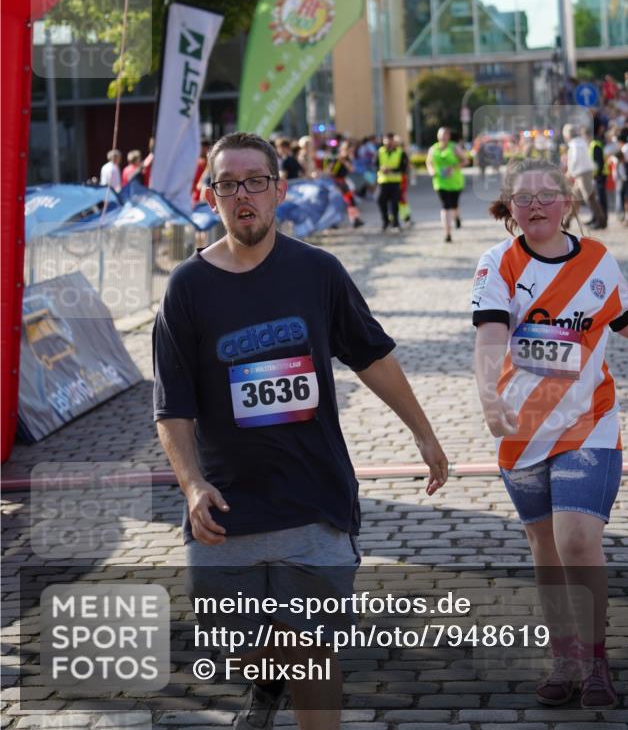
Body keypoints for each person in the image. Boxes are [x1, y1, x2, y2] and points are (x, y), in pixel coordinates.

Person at [153, 131, 448, 730]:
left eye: (255, 181)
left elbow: (371, 356)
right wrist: (191, 485)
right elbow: (172, 407)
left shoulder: (318, 271)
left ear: (279, 190)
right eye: (228, 184)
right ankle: (267, 679)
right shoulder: (187, 288)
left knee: (313, 655)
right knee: (240, 651)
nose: (244, 195)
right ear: (210, 197)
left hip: (314, 500)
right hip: (227, 510)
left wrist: (423, 432)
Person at [471, 157, 628, 710]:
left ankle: (597, 661)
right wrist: (489, 397)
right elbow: (490, 334)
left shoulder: (599, 260)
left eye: (546, 194)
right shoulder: (498, 263)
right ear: (510, 208)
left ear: (568, 202)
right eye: (523, 197)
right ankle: (565, 658)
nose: (535, 205)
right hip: (521, 430)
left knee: (576, 539)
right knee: (544, 547)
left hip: (589, 424)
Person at [426, 126, 468, 243]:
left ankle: (457, 217)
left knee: (454, 205)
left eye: (445, 135)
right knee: (445, 206)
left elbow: (465, 161)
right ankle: (447, 233)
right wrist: (431, 171)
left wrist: (453, 168)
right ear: (437, 136)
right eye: (440, 135)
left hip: (455, 182)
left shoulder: (454, 147)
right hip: (440, 182)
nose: (442, 137)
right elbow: (429, 162)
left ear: (448, 136)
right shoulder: (433, 149)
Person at [562, 124, 606, 230]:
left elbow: (575, 159)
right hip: (584, 173)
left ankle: (601, 221)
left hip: (582, 174)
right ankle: (567, 222)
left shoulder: (574, 144)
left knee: (589, 198)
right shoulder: (581, 142)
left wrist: (570, 172)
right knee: (575, 199)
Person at [376, 131, 407, 231]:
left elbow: (403, 168)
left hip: (395, 182)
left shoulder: (400, 152)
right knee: (381, 201)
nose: (389, 142)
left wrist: (391, 170)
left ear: (394, 141)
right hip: (383, 181)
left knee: (394, 203)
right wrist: (381, 169)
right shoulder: (380, 152)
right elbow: (375, 165)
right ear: (383, 141)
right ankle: (385, 221)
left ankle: (396, 223)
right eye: (387, 140)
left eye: (391, 140)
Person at [329, 140, 364, 228]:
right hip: (337, 183)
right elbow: (331, 172)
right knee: (337, 203)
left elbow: (352, 169)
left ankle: (355, 219)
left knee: (351, 201)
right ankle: (333, 222)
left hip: (343, 182)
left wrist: (345, 162)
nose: (351, 152)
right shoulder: (337, 159)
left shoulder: (346, 159)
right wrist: (340, 162)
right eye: (350, 150)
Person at [192, 139, 212, 207]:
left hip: (203, 203)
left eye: (201, 148)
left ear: (206, 148)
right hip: (194, 202)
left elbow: (199, 185)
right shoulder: (197, 163)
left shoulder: (210, 165)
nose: (199, 150)